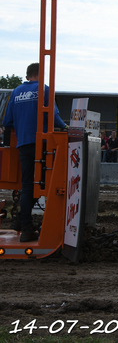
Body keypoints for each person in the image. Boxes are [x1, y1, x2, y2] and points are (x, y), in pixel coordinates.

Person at [2, 62, 68, 242]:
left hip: (23, 143)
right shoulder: (45, 90)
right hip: (43, 144)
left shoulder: (15, 92)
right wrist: (65, 127)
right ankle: (25, 227)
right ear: (39, 74)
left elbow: (7, 122)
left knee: (27, 185)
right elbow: (53, 116)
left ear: (27, 74)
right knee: (45, 183)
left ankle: (21, 223)